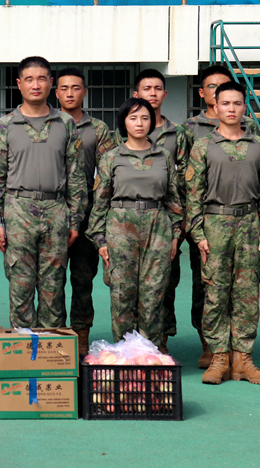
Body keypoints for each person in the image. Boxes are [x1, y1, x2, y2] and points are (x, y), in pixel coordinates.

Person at [0, 57, 88, 329]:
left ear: (51, 83)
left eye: (42, 79)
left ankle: (51, 349)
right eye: (29, 79)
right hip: (18, 211)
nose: (36, 85)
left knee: (53, 289)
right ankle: (23, 348)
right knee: (20, 287)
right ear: (19, 84)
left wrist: (74, 220)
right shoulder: (6, 125)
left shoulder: (65, 122)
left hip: (56, 211)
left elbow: (75, 176)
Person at [186, 81, 260, 385]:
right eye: (225, 103)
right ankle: (218, 358)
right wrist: (198, 233)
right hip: (215, 224)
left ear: (244, 106)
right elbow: (193, 193)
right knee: (214, 294)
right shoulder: (203, 145)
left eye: (237, 103)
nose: (231, 109)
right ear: (215, 105)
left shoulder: (257, 145)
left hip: (249, 225)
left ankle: (243, 360)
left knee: (247, 295)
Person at [86, 98, 181, 348]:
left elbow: (174, 200)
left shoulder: (163, 156)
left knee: (153, 295)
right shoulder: (111, 158)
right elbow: (100, 202)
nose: (139, 123)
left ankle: (149, 352)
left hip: (157, 229)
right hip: (120, 229)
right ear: (123, 122)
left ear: (151, 122)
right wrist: (100, 240)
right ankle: (124, 353)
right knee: (122, 294)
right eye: (133, 118)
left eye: (145, 118)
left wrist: (175, 236)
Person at [181, 63, 240, 369]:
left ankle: (235, 348)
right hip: (205, 220)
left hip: (240, 221)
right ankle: (208, 343)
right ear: (203, 93)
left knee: (239, 288)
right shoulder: (189, 129)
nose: (218, 92)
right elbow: (184, 177)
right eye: (212, 87)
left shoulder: (245, 129)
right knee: (204, 284)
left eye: (224, 85)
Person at [55, 66, 115, 355]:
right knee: (51, 280)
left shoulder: (98, 129)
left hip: (88, 213)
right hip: (53, 209)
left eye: (75, 88)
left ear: (85, 92)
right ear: (56, 92)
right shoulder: (49, 125)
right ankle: (54, 334)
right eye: (64, 88)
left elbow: (106, 174)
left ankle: (80, 336)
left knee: (82, 280)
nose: (70, 93)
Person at [132, 68, 190, 354]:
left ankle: (160, 342)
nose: (152, 93)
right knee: (130, 287)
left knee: (164, 283)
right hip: (130, 221)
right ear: (136, 94)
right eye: (147, 88)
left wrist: (180, 223)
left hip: (165, 219)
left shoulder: (177, 133)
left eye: (157, 88)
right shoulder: (125, 131)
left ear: (165, 94)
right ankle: (130, 342)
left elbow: (185, 179)